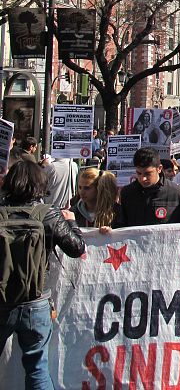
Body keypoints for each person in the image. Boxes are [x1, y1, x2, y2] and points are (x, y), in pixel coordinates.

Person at [0, 159, 85, 388]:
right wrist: (73, 224)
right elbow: (77, 248)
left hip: (1, 298)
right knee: (37, 367)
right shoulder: (48, 214)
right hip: (36, 301)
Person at [113, 147, 180, 227]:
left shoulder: (178, 193)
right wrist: (109, 232)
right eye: (139, 173)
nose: (143, 178)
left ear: (159, 168)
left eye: (148, 173)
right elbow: (120, 226)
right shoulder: (127, 193)